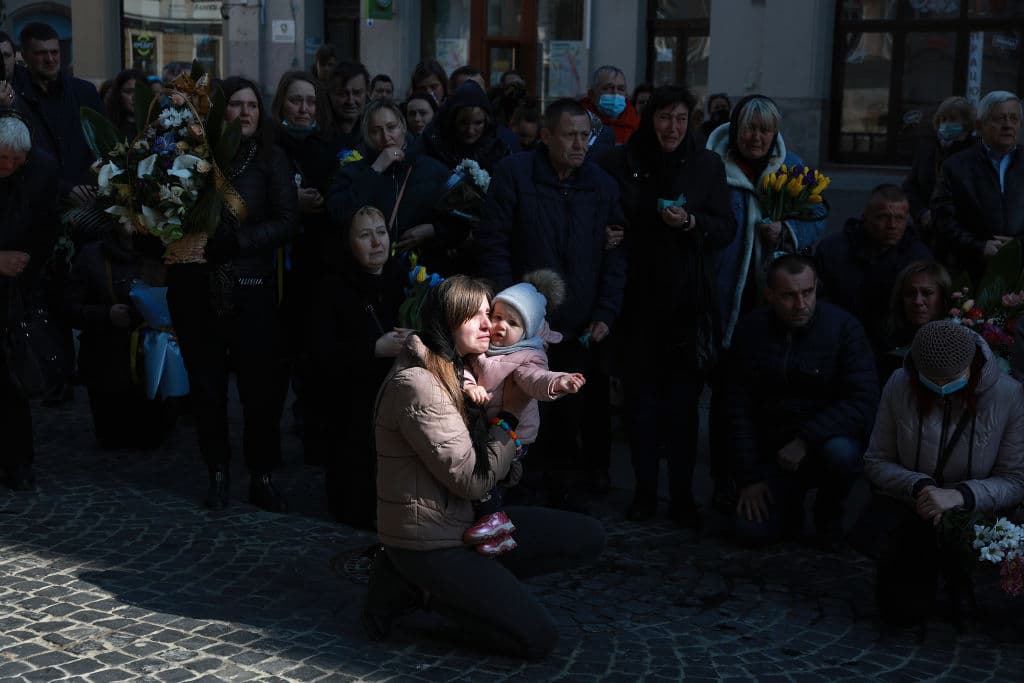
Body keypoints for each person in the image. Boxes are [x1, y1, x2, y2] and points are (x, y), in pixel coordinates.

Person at [364, 275, 605, 659]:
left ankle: (472, 589)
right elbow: (473, 480)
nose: (488, 325)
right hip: (431, 542)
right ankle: (424, 592)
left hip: (467, 522)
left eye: (487, 313)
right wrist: (508, 418)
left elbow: (502, 472)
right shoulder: (419, 384)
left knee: (588, 535)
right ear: (446, 322)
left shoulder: (469, 369)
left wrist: (511, 434)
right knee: (539, 639)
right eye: (473, 316)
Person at [477, 98, 627, 510]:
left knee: (572, 405)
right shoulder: (515, 174)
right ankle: (520, 483)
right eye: (570, 135)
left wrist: (605, 313)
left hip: (580, 320)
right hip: (525, 320)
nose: (580, 144)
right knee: (519, 403)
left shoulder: (600, 184)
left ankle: (568, 487)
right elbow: (494, 243)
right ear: (546, 136)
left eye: (586, 136)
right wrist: (512, 310)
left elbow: (617, 253)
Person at [600, 86, 736, 525]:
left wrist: (693, 222)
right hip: (639, 301)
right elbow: (608, 211)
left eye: (680, 118)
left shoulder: (707, 164)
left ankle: (681, 496)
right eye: (663, 118)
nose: (672, 128)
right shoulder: (624, 160)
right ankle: (643, 492)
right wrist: (615, 231)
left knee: (681, 407)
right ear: (648, 118)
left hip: (687, 303)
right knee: (641, 406)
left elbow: (725, 226)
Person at [165, 76, 298, 512]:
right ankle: (217, 471)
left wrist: (239, 243)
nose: (244, 113)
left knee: (260, 390)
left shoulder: (271, 159)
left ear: (262, 113)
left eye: (252, 106)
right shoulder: (190, 157)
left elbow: (285, 220)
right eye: (235, 105)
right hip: (195, 286)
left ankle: (261, 473)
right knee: (207, 387)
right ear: (218, 112)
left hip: (251, 288)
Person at [863, 321, 1024, 626]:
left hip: (971, 513)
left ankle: (958, 577)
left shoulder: (1008, 395)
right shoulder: (899, 385)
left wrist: (960, 495)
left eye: (951, 380)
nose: (941, 388)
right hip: (913, 507)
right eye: (931, 381)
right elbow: (876, 461)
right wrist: (920, 486)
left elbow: (1015, 479)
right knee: (901, 613)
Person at [723, 255, 879, 547]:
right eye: (789, 295)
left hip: (822, 442)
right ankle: (787, 507)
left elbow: (863, 399)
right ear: (770, 295)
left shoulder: (843, 328)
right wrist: (748, 478)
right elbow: (735, 407)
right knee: (751, 532)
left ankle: (828, 511)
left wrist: (806, 440)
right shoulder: (751, 331)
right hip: (773, 449)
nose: (801, 304)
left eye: (808, 292)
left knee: (842, 453)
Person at [462, 272, 586, 554]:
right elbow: (465, 371)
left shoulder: (527, 357)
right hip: (486, 424)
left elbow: (536, 380)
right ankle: (488, 521)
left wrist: (559, 382)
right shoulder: (484, 348)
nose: (500, 326)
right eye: (497, 316)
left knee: (488, 475)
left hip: (516, 434)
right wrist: (469, 386)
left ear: (527, 331)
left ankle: (495, 523)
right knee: (480, 472)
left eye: (512, 322)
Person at [307, 206, 408, 529]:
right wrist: (373, 349)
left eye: (381, 232)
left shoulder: (402, 277)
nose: (377, 242)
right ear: (348, 243)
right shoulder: (331, 287)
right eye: (365, 235)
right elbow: (320, 354)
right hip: (349, 400)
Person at [705, 94, 827, 348]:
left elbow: (816, 216)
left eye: (765, 130)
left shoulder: (790, 166)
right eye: (750, 128)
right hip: (721, 282)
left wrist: (786, 230)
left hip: (775, 285)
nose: (756, 137)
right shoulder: (710, 166)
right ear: (737, 128)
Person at [270, 70, 341, 456]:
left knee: (314, 355)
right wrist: (289, 200)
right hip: (274, 266)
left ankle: (313, 431)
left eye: (310, 101)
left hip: (316, 264)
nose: (303, 108)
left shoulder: (328, 146)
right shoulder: (268, 144)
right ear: (282, 102)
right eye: (296, 100)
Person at [65, 229, 165, 450]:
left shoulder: (165, 252)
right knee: (114, 437)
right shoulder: (92, 255)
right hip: (107, 368)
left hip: (152, 368)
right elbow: (69, 308)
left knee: (152, 436)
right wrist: (106, 315)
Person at [0, 111, 58, 490]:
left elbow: (44, 232)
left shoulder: (35, 176)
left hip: (13, 295)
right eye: (1, 159)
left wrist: (24, 268)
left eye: (14, 161)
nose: (7, 166)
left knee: (11, 382)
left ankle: (18, 462)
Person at [327, 98, 451, 264]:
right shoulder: (351, 172)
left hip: (423, 272)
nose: (386, 137)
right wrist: (375, 170)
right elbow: (338, 214)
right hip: (370, 271)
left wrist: (433, 230)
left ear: (403, 127)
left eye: (391, 127)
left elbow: (460, 221)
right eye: (376, 131)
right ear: (366, 136)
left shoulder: (432, 169)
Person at [815, 184, 932, 349]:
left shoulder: (918, 256)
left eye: (899, 218)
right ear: (866, 216)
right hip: (840, 339)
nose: (892, 225)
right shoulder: (833, 250)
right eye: (883, 217)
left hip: (895, 345)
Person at [932, 90, 1022, 282]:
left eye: (1013, 118)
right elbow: (942, 220)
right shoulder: (956, 167)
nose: (1007, 125)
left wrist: (1018, 245)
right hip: (971, 272)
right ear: (979, 126)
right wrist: (979, 247)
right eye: (999, 119)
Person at [902, 96, 976, 239]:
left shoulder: (975, 153)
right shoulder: (927, 150)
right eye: (942, 119)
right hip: (926, 232)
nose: (945, 124)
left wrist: (941, 215)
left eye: (952, 119)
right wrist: (922, 213)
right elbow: (910, 186)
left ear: (966, 123)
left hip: (961, 234)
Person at [877, 261, 952, 383]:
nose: (917, 301)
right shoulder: (885, 340)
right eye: (910, 293)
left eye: (927, 293)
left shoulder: (957, 340)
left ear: (943, 297)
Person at [421, 81, 510, 175]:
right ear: (453, 121)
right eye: (463, 123)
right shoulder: (435, 146)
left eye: (478, 123)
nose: (470, 131)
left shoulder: (497, 151)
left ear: (487, 122)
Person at [580, 65, 639, 145]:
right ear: (591, 94)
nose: (615, 93)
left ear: (626, 95)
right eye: (607, 88)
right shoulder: (578, 123)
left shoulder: (636, 124)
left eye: (621, 89)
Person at [327, 61, 369, 148]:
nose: (350, 101)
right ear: (330, 94)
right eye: (343, 94)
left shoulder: (376, 132)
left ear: (367, 92)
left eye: (357, 93)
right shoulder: (314, 136)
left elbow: (399, 152)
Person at [103, 68, 146, 139]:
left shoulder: (156, 124)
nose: (134, 97)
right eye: (128, 91)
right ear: (118, 95)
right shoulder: (108, 127)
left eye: (139, 92)